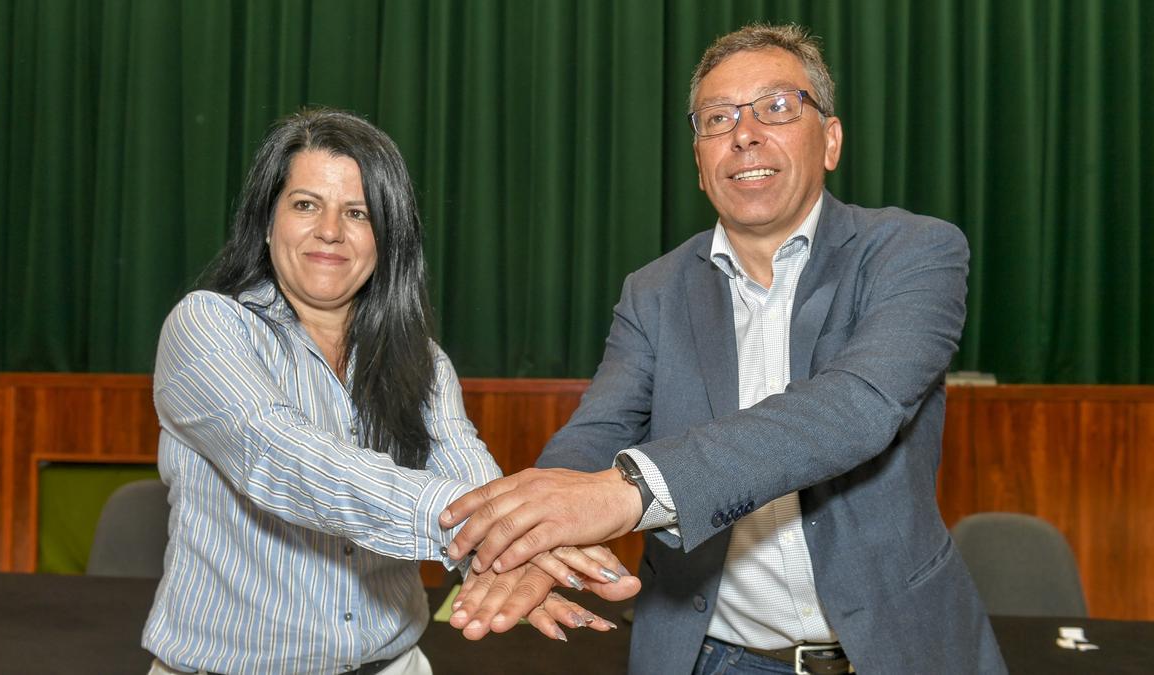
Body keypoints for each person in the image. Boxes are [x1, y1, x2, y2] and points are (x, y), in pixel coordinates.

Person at [442, 24, 1007, 674]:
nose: (744, 133)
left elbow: (856, 407)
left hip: (897, 651)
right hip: (714, 657)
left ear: (830, 139)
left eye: (776, 107)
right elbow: (596, 433)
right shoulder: (653, 292)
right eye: (718, 117)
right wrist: (538, 536)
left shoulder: (914, 252)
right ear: (699, 162)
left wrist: (632, 492)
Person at [143, 108, 636, 675]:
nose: (330, 230)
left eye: (358, 213)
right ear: (266, 220)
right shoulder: (206, 326)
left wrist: (522, 546)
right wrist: (493, 531)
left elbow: (465, 466)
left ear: (387, 238)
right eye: (306, 204)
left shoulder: (419, 357)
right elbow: (287, 460)